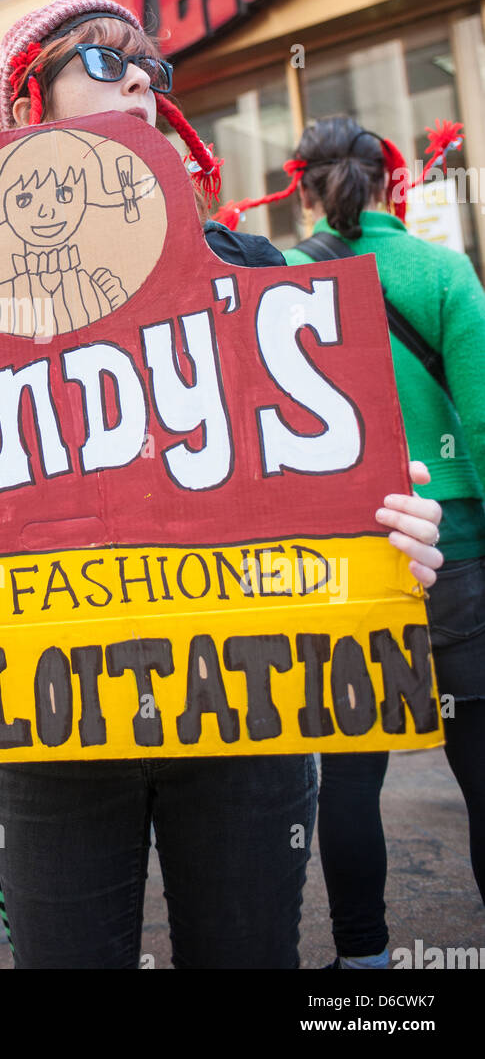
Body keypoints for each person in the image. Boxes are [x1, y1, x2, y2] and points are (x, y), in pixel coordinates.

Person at [0, 0, 446, 968]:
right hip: (48, 738)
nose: (141, 82)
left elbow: (325, 494)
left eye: (153, 70)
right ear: (26, 103)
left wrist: (390, 533)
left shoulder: (255, 274)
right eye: (106, 59)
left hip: (243, 714)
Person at [274, 114, 485, 967]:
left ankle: (363, 963)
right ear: (392, 184)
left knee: (349, 781)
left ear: (301, 192)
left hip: (343, 567)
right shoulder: (443, 270)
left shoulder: (278, 282)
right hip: (460, 555)